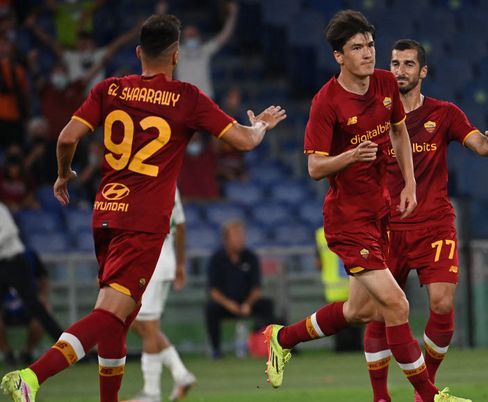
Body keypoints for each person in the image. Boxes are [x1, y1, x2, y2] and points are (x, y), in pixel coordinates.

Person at [0, 13, 286, 402]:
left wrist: (64, 175)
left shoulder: (109, 89)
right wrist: (262, 126)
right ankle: (31, 378)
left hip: (104, 214)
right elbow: (244, 141)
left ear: (138, 52)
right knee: (108, 316)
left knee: (119, 319)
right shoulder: (187, 98)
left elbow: (66, 137)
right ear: (176, 56)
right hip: (144, 221)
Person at [262, 10, 470, 402]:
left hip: (382, 214)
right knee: (396, 304)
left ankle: (282, 337)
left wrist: (408, 183)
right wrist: (350, 156)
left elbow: (398, 131)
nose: (368, 54)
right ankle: (427, 396)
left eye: (370, 45)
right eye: (357, 48)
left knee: (361, 312)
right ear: (339, 56)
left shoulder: (386, 84)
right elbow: (314, 166)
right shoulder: (327, 102)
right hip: (348, 220)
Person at [363, 39, 488, 402]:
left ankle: (425, 389)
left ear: (423, 72)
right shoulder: (375, 117)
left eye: (409, 64)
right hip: (388, 227)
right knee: (378, 314)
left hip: (434, 224)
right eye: (395, 64)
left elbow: (477, 143)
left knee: (442, 303)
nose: (400, 71)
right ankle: (381, 397)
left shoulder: (444, 113)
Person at [125, 190, 195, 402]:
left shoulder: (144, 179)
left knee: (147, 327)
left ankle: (152, 392)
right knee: (139, 323)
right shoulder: (170, 182)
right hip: (163, 262)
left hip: (150, 263)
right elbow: (180, 225)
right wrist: (180, 263)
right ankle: (180, 373)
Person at [205, 220, 274, 359]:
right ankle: (216, 351)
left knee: (268, 306)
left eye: (242, 236)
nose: (240, 240)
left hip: (247, 303)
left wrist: (248, 303)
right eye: (236, 236)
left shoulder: (251, 257)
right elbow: (213, 290)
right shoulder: (216, 259)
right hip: (226, 304)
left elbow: (257, 287)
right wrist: (229, 304)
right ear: (226, 239)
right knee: (210, 309)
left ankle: (266, 346)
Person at [0, 201, 63, 347]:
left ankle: (66, 347)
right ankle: (8, 355)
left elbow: (10, 231)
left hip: (14, 261)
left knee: (36, 307)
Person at [175, 1, 237, 99]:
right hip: (185, 99)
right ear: (183, 37)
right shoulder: (178, 51)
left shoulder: (204, 50)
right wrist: (159, 13)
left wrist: (232, 15)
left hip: (204, 99)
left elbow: (225, 35)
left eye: (193, 35)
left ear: (198, 36)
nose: (191, 38)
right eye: (189, 35)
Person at [0, 248, 51, 367]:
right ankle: (7, 353)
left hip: (28, 305)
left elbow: (43, 277)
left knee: (41, 318)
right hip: (5, 306)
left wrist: (43, 297)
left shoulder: (30, 255)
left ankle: (27, 352)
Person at [315, 226, 361, 352]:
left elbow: (318, 263)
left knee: (337, 321)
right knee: (356, 320)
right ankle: (356, 348)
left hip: (333, 287)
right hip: (355, 283)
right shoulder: (354, 228)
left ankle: (340, 349)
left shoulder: (320, 234)